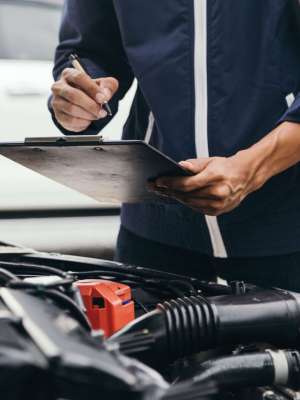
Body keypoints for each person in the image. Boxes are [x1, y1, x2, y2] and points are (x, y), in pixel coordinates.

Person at [49, 1, 300, 290]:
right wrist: (78, 98)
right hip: (155, 229)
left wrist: (254, 167)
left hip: (286, 228)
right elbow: (88, 51)